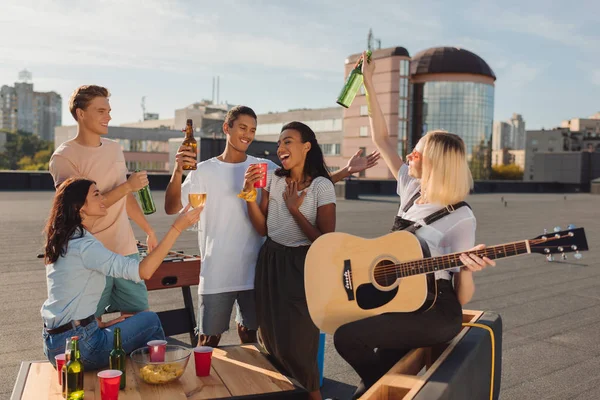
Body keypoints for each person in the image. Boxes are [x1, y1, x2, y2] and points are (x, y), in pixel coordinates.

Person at [332, 52, 497, 399]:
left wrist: (467, 269)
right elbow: (383, 140)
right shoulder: (411, 188)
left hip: (436, 311)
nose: (409, 156)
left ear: (434, 162)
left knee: (347, 337)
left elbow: (461, 294)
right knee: (370, 381)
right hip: (401, 300)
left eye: (417, 153)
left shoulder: (461, 216)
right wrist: (369, 82)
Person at [165, 106, 379, 348]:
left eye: (253, 130)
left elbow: (305, 184)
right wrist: (178, 170)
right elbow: (172, 207)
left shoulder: (263, 167)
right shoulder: (204, 170)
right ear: (227, 128)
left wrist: (346, 171)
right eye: (242, 128)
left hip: (257, 271)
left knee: (250, 337)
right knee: (208, 341)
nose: (248, 134)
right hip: (217, 272)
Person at [41, 177, 202, 370]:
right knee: (149, 321)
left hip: (55, 345)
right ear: (80, 207)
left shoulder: (65, 240)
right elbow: (143, 271)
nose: (103, 198)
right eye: (96, 194)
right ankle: (158, 376)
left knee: (132, 323)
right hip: (81, 348)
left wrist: (100, 324)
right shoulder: (85, 246)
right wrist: (177, 227)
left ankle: (143, 375)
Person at [241, 121, 336, 400]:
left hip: (302, 265)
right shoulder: (275, 178)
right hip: (270, 259)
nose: (281, 147)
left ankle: (313, 395)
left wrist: (295, 210)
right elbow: (263, 228)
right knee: (271, 337)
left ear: (307, 146)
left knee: (300, 340)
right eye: (280, 143)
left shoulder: (322, 186)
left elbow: (324, 241)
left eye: (288, 141)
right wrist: (248, 195)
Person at [49, 85, 157, 328]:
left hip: (125, 250)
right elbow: (80, 208)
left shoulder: (114, 148)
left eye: (108, 110)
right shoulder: (63, 158)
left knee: (142, 321)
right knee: (90, 325)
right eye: (101, 111)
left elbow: (125, 197)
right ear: (81, 113)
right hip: (90, 256)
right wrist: (128, 187)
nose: (108, 116)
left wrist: (148, 230)